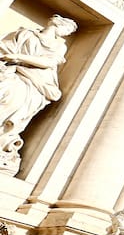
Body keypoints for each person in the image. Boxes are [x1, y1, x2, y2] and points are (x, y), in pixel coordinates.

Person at [0, 14, 77, 174]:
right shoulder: (25, 33)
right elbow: (5, 47)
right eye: (67, 29)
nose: (67, 34)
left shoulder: (59, 46)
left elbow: (49, 62)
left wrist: (17, 57)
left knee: (15, 99)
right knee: (5, 90)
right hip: (12, 71)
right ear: (58, 24)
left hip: (37, 82)